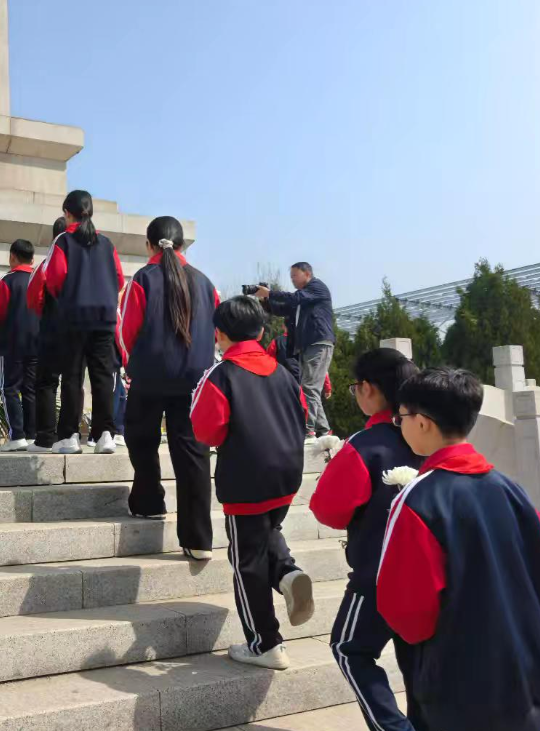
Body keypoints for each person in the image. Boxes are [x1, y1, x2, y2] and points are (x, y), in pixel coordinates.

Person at [378, 368, 540, 731]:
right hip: (527, 677)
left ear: (423, 422)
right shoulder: (510, 489)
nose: (399, 424)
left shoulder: (418, 498)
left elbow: (406, 611)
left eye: (400, 417)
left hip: (461, 690)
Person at [190, 296, 313, 670]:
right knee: (266, 532)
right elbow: (303, 415)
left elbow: (206, 431)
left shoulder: (221, 375)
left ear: (219, 334)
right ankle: (288, 572)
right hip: (286, 475)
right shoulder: (283, 374)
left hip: (246, 479)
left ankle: (265, 644)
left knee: (247, 563)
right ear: (261, 331)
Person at [309, 348, 421, 731]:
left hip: (378, 574)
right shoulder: (428, 437)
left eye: (356, 386)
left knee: (349, 648)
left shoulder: (365, 443)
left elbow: (328, 510)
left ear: (369, 389)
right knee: (416, 656)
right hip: (427, 573)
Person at [119, 216, 219, 560]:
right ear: (182, 245)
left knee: (141, 440)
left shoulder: (143, 279)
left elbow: (126, 331)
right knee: (193, 454)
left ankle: (149, 502)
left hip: (149, 376)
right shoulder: (206, 283)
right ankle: (198, 539)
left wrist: (132, 366)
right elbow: (215, 332)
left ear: (150, 245)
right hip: (194, 380)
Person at [43, 190, 125, 455]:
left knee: (72, 377)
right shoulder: (107, 243)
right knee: (102, 377)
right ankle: (105, 435)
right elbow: (119, 279)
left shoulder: (63, 240)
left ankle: (69, 435)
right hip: (104, 318)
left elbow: (54, 278)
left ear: (67, 213)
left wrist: (69, 297)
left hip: (74, 317)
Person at [254, 262, 334, 441]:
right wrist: (265, 300)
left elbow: (293, 298)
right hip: (306, 345)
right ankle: (323, 430)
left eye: (295, 276)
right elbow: (281, 309)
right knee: (310, 387)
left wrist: (270, 293)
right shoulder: (303, 298)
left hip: (318, 342)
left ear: (307, 273)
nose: (292, 280)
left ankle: (308, 430)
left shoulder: (316, 288)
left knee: (309, 387)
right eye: (291, 277)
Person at [0, 239, 40, 452]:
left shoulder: (7, 281)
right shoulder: (39, 280)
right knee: (31, 389)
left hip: (12, 342)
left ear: (12, 256)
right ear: (32, 259)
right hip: (37, 342)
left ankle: (17, 435)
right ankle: (31, 435)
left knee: (9, 388)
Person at [26, 217, 67, 453]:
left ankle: (45, 438)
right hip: (80, 331)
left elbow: (34, 299)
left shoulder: (46, 265)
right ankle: (69, 435)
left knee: (46, 383)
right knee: (73, 383)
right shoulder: (88, 264)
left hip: (52, 329)